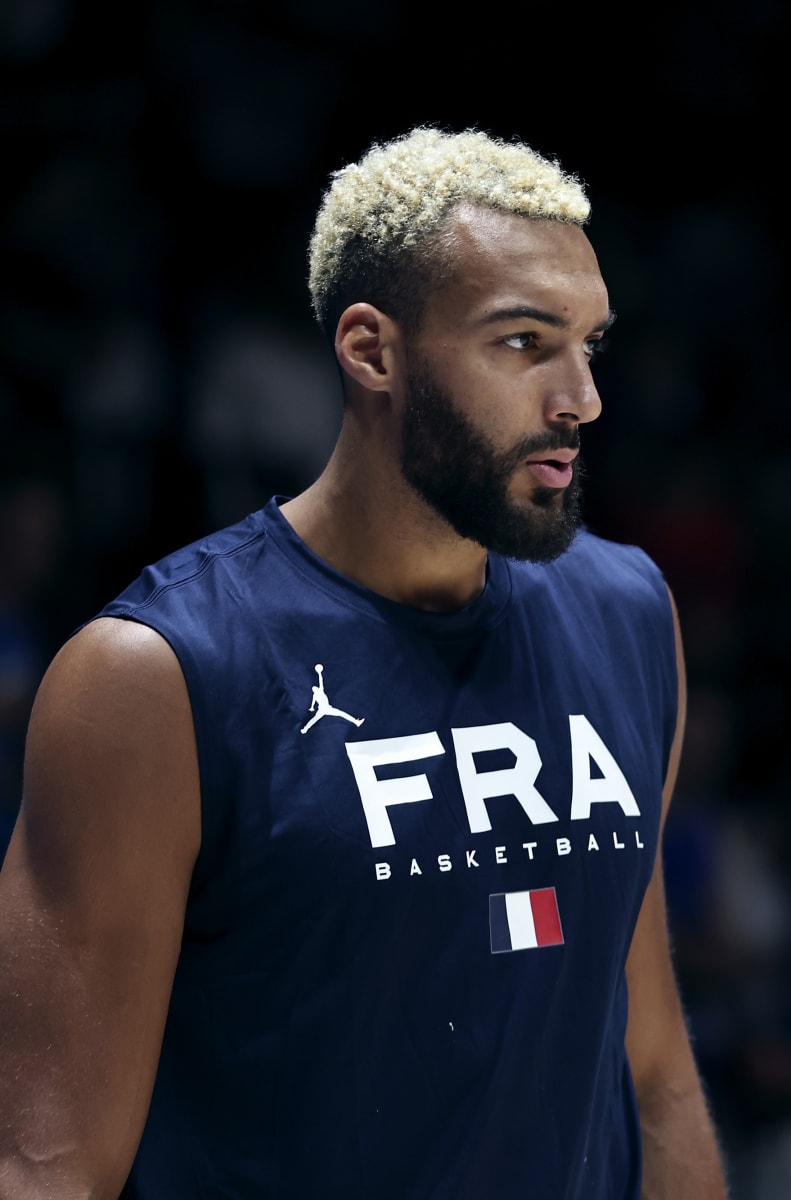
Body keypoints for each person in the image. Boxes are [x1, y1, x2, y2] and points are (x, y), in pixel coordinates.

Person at [0, 127, 728, 1199]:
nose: (581, 396)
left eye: (589, 344)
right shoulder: (156, 677)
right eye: (524, 342)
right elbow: (47, 1171)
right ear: (372, 351)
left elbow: (650, 1065)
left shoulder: (627, 610)